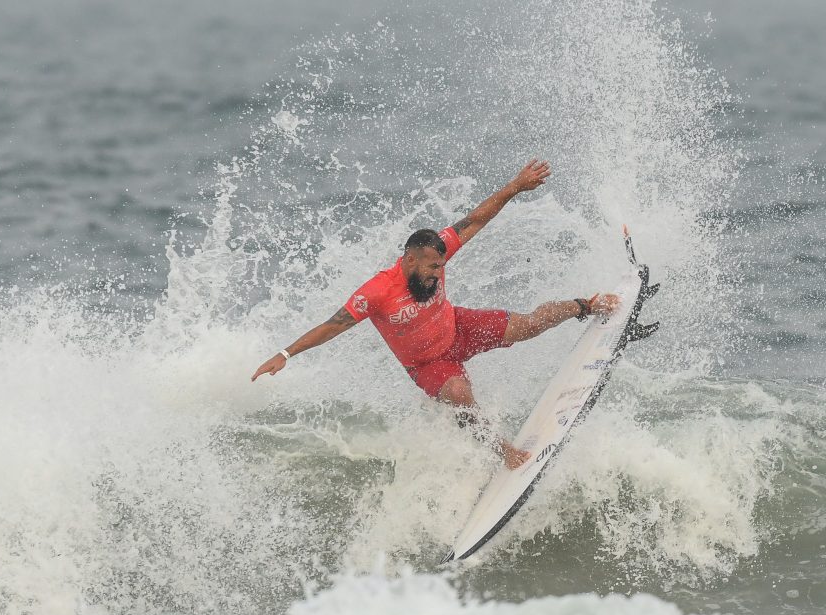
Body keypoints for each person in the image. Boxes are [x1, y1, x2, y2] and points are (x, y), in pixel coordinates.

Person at [252, 160, 620, 469]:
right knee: (460, 393)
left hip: (458, 326)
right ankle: (504, 452)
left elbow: (475, 220)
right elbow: (333, 326)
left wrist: (515, 187)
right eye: (430, 267)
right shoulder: (378, 291)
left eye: (440, 265)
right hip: (427, 364)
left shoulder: (437, 254)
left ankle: (585, 305)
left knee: (529, 325)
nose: (437, 272)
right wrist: (285, 354)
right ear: (409, 260)